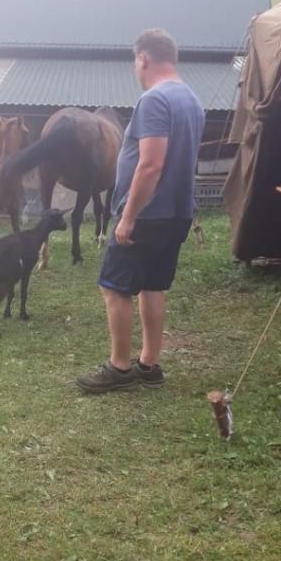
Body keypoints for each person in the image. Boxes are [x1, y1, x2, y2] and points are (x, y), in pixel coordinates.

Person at [76, 28, 205, 394]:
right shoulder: (191, 99)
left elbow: (150, 165)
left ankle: (119, 367)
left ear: (143, 58)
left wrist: (129, 216)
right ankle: (149, 365)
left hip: (147, 215)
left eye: (135, 62)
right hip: (177, 212)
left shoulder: (155, 100)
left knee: (113, 287)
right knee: (152, 285)